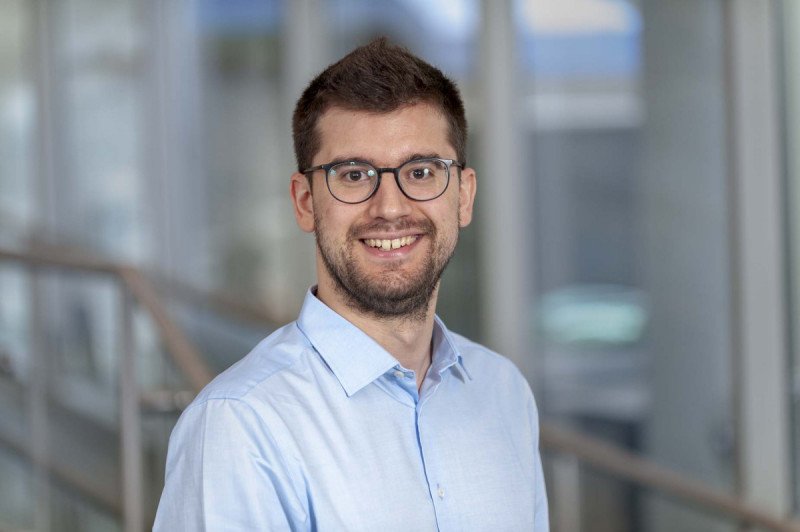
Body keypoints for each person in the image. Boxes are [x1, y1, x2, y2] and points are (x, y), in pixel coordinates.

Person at [154, 38, 548, 531]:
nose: (390, 207)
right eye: (355, 175)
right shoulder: (241, 424)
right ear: (305, 202)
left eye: (421, 171)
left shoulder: (505, 394)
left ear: (464, 196)